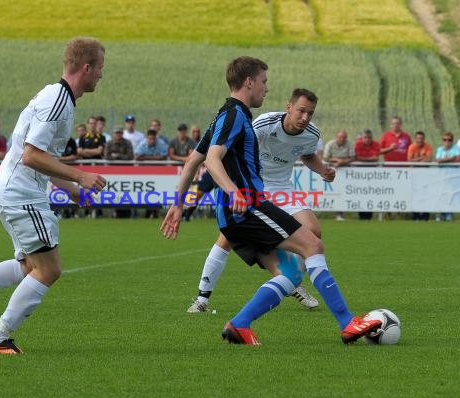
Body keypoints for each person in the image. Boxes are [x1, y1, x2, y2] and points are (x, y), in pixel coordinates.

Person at [162, 59, 380, 345]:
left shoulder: (224, 116)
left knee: (290, 271)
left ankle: (240, 325)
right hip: (248, 206)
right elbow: (212, 160)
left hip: (240, 210)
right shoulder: (236, 116)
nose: (267, 88)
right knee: (312, 245)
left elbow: (193, 160)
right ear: (249, 82)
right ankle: (347, 322)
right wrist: (233, 192)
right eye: (264, 81)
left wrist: (178, 204)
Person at [0, 36, 107, 354]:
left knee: (29, 266)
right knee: (49, 270)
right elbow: (31, 155)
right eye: (100, 68)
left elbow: (42, 158)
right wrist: (80, 175)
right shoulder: (57, 102)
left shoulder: (58, 98)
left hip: (15, 192)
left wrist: (72, 190)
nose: (101, 75)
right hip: (22, 194)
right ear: (86, 67)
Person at [323, 130, 354, 221]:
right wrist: (336, 160)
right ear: (336, 137)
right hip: (331, 171)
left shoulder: (349, 144)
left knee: (344, 192)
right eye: (340, 137)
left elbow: (352, 157)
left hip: (345, 172)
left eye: (344, 137)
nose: (342, 139)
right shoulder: (330, 144)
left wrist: (342, 162)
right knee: (334, 192)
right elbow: (325, 157)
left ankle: (340, 214)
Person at [435, 131, 460, 222]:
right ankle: (441, 213)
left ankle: (449, 214)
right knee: (441, 194)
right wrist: (451, 159)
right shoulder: (440, 149)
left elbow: (458, 159)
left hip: (453, 175)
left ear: (452, 141)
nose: (447, 141)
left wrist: (444, 160)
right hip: (442, 175)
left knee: (451, 195)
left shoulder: (456, 148)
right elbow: (438, 160)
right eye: (445, 140)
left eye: (449, 140)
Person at [354, 129, 381, 220]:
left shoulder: (376, 144)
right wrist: (370, 158)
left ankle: (369, 215)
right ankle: (361, 215)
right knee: (360, 193)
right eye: (365, 138)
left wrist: (363, 159)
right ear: (362, 138)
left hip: (373, 174)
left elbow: (376, 158)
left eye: (369, 138)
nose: (367, 139)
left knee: (370, 193)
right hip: (360, 175)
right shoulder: (358, 144)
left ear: (372, 138)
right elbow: (356, 157)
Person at [407, 131, 432, 221]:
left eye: (421, 138)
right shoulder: (412, 147)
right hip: (415, 173)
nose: (420, 140)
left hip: (425, 174)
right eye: (418, 138)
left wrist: (416, 160)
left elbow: (428, 159)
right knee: (415, 194)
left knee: (425, 194)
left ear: (424, 139)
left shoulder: (427, 146)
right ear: (415, 139)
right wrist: (421, 158)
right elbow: (409, 160)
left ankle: (425, 215)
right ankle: (416, 215)